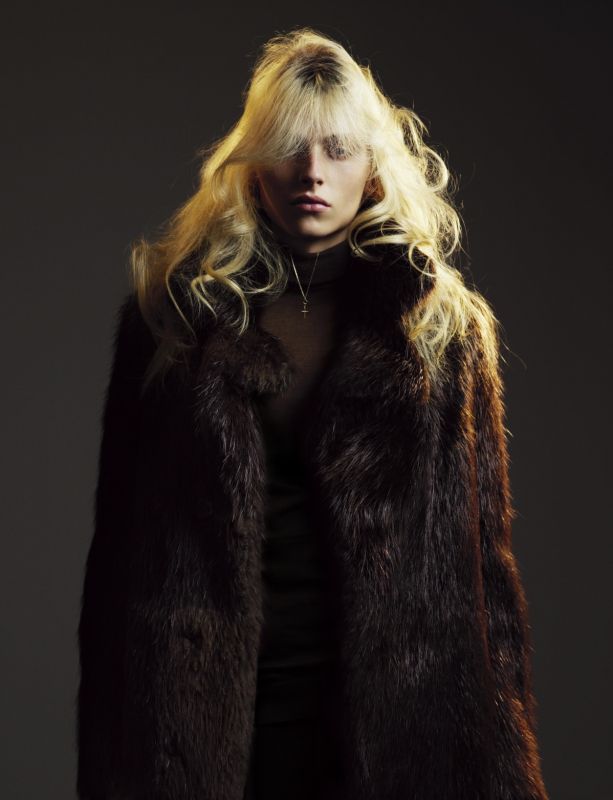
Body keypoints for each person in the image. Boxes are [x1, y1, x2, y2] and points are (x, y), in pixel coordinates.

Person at [76, 26, 550, 800]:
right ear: (253, 164)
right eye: (290, 147)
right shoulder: (169, 326)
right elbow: (116, 566)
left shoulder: (441, 332)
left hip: (394, 732)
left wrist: (503, 768)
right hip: (205, 731)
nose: (311, 172)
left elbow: (488, 572)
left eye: (337, 149)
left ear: (373, 170)